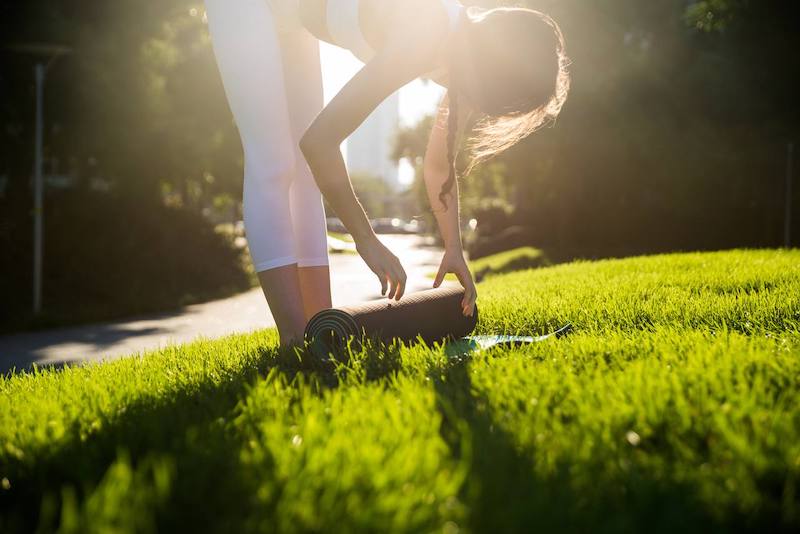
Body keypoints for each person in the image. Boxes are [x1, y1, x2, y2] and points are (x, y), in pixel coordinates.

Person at [204, 0, 570, 347]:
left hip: (294, 15)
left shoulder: (462, 53)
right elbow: (321, 143)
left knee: (302, 174)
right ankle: (293, 341)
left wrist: (454, 249)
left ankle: (318, 332)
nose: (479, 106)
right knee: (274, 161)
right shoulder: (425, 33)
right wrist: (366, 239)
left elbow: (438, 165)